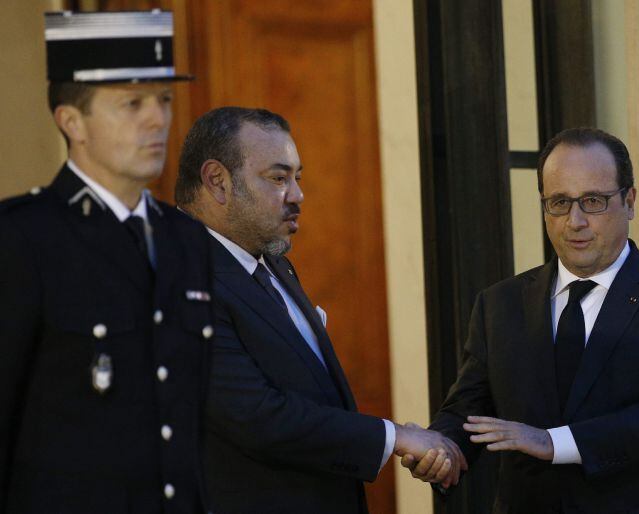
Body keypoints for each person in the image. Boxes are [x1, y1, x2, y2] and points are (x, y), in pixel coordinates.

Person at [402, 128, 639, 513]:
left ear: (630, 201)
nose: (575, 221)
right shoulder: (499, 304)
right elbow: (469, 409)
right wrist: (442, 449)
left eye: (593, 201)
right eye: (559, 202)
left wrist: (555, 442)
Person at [174, 106, 466, 514]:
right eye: (278, 178)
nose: (297, 195)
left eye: (297, 177)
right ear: (217, 182)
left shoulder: (271, 261)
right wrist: (395, 438)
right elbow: (256, 417)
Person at [0, 11, 213, 513]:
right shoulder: (23, 237)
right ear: (71, 122)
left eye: (163, 100)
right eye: (132, 103)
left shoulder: (185, 237)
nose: (158, 119)